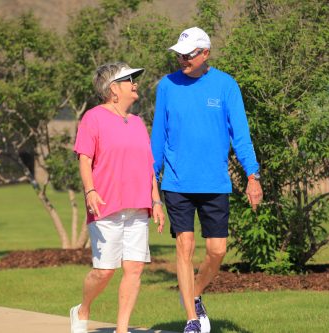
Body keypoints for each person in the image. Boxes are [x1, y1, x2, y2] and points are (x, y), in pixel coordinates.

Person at [151, 27, 263, 333]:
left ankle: (195, 292)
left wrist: (253, 176)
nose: (182, 60)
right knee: (184, 247)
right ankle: (191, 319)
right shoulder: (167, 86)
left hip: (215, 183)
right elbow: (158, 136)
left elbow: (241, 136)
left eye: (188, 55)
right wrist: (151, 181)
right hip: (177, 183)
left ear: (205, 54)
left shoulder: (226, 86)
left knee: (217, 251)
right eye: (179, 55)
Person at [71, 62, 165, 333]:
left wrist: (156, 202)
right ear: (113, 89)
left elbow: (147, 166)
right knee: (104, 271)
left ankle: (121, 329)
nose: (135, 83)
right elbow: (85, 159)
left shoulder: (137, 123)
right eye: (128, 80)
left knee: (134, 269)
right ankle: (83, 308)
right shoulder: (93, 118)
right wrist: (90, 190)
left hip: (138, 207)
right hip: (105, 205)